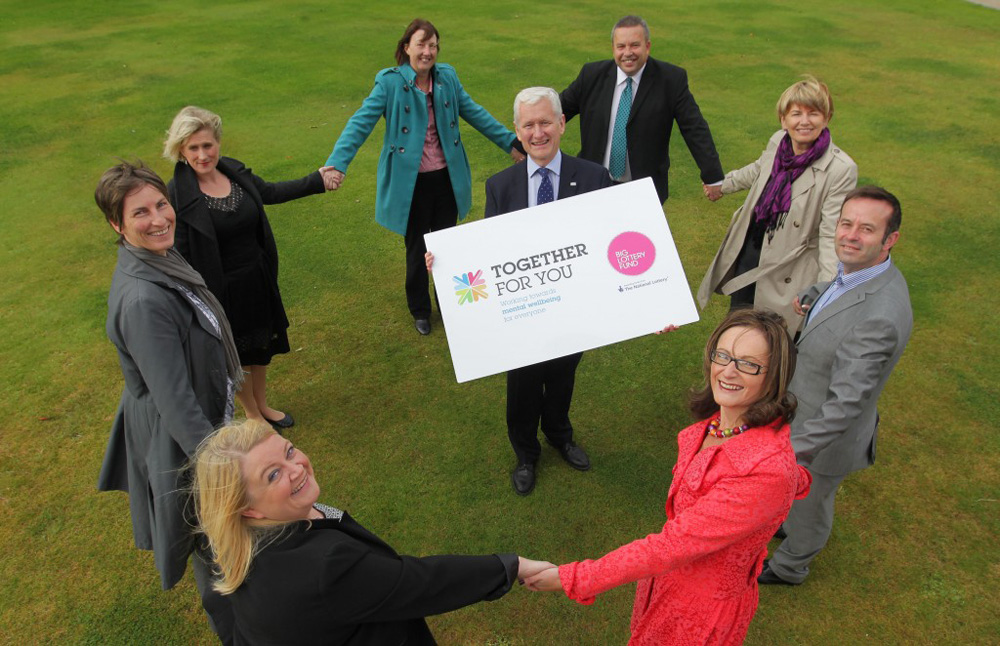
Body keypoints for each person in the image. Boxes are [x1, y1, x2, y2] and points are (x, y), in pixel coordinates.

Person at [524, 309, 812, 645]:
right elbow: (788, 480)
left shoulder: (767, 471)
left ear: (773, 376)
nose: (728, 371)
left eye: (748, 364)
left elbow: (672, 545)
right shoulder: (717, 427)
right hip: (665, 582)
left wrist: (571, 577)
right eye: (723, 355)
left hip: (700, 612)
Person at [191, 419, 553, 644]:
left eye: (289, 451)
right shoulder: (325, 568)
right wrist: (511, 566)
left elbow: (221, 610)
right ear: (249, 508)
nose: (297, 468)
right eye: (272, 474)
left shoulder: (227, 543)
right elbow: (419, 582)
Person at [94, 161, 239, 643]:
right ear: (117, 224)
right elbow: (175, 400)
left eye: (161, 204)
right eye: (140, 212)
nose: (159, 218)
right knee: (214, 535)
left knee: (224, 533)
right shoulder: (143, 301)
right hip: (182, 436)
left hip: (194, 413)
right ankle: (242, 631)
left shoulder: (157, 259)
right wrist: (220, 465)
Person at [324, 18, 525, 336]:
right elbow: (360, 122)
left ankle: (448, 304)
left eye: (433, 45)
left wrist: (510, 143)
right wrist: (337, 163)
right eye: (421, 44)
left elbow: (473, 111)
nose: (428, 52)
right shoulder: (389, 82)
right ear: (407, 48)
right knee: (417, 248)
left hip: (446, 179)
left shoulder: (447, 77)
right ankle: (420, 310)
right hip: (411, 184)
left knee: (447, 246)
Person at [759, 186, 912, 586]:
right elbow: (840, 291)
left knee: (811, 507)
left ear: (889, 239)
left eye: (866, 229)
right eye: (846, 223)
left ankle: (790, 566)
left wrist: (792, 451)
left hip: (823, 440)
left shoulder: (879, 317)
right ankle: (786, 524)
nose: (850, 235)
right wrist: (814, 294)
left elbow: (845, 405)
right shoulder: (858, 272)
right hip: (802, 412)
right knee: (795, 500)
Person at [165, 106, 335, 431]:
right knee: (237, 354)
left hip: (256, 277)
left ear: (218, 143)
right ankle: (252, 415)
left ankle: (263, 404)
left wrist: (316, 180)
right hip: (221, 289)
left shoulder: (232, 171)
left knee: (260, 345)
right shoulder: (177, 194)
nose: (203, 155)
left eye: (208, 145)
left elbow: (268, 191)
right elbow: (181, 253)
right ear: (181, 150)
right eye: (193, 148)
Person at [697, 77, 858, 328]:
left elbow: (831, 234)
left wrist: (826, 288)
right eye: (796, 114)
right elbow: (758, 170)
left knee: (772, 335)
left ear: (826, 118)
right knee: (739, 323)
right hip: (752, 249)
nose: (804, 121)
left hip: (790, 266)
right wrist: (722, 185)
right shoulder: (778, 142)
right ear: (784, 120)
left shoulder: (840, 169)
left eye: (813, 113)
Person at [559, 15, 723, 204]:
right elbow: (557, 111)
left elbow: (694, 128)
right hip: (595, 185)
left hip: (644, 190)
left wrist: (713, 175)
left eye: (634, 45)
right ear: (613, 48)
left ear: (648, 46)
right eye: (621, 46)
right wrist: (522, 144)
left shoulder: (671, 80)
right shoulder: (591, 75)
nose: (627, 52)